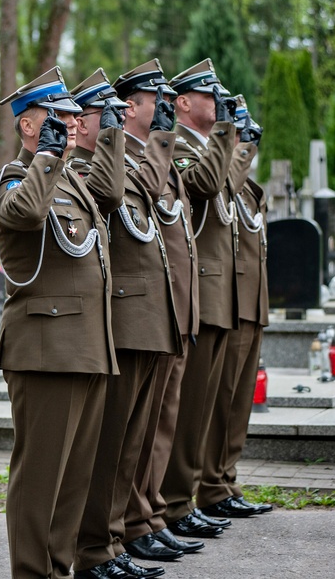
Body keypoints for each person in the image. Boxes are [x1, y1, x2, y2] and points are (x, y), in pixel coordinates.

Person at [0, 66, 123, 579]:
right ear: (29, 126)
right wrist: (45, 156)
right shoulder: (18, 176)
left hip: (87, 342)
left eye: (74, 115)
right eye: (59, 116)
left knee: (73, 478)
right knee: (41, 476)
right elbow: (22, 216)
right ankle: (31, 571)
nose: (71, 123)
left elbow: (111, 194)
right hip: (45, 347)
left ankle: (58, 567)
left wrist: (108, 133)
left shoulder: (72, 177)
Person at [68, 68, 180, 579]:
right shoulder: (90, 167)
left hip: (149, 315)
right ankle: (99, 545)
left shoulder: (123, 160)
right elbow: (118, 194)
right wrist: (120, 136)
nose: (105, 122)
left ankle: (116, 540)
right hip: (124, 317)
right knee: (113, 443)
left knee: (131, 442)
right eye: (99, 115)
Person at [111, 59, 208, 561]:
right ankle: (132, 522)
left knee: (158, 424)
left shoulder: (155, 154)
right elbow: (145, 197)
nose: (166, 108)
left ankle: (146, 513)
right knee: (134, 430)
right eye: (158, 101)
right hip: (141, 310)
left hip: (169, 308)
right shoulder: (124, 159)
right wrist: (164, 140)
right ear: (131, 106)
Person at [161, 58, 250, 537]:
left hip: (217, 289)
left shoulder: (206, 144)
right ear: (183, 103)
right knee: (189, 405)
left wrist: (237, 145)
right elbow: (207, 186)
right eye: (211, 98)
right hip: (199, 290)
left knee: (205, 406)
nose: (220, 106)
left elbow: (228, 191)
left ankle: (190, 493)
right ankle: (176, 500)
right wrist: (225, 140)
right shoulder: (175, 143)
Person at [196, 96, 273, 518]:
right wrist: (237, 147)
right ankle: (208, 486)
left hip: (248, 297)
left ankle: (223, 480)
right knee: (217, 401)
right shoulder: (210, 164)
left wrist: (243, 148)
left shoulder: (236, 176)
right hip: (228, 297)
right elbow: (216, 187)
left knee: (237, 403)